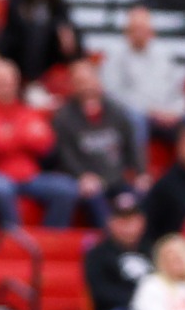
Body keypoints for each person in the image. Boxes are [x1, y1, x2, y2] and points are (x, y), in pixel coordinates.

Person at [53, 57, 140, 226]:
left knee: (135, 197)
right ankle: (108, 240)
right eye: (79, 82)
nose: (86, 86)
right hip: (88, 181)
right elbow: (65, 155)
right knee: (94, 195)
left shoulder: (117, 111)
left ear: (98, 80)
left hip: (116, 179)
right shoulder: (63, 118)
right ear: (72, 85)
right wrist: (82, 176)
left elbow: (132, 145)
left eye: (88, 80)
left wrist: (140, 172)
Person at [104, 4, 185, 164]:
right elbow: (113, 96)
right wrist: (149, 111)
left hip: (168, 116)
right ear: (127, 31)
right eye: (135, 28)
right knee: (136, 120)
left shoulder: (164, 55)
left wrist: (175, 112)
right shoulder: (115, 55)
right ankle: (140, 173)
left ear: (152, 31)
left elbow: (180, 92)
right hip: (137, 116)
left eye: (143, 28)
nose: (140, 33)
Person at [0, 0, 80, 86]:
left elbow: (63, 19)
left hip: (48, 47)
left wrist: (64, 31)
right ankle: (33, 82)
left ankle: (80, 78)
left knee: (73, 35)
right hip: (19, 45)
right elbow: (16, 21)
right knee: (36, 33)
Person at [84, 191, 152, 310]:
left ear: (142, 221)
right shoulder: (97, 254)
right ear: (110, 222)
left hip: (153, 307)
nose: (128, 226)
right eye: (121, 220)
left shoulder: (152, 250)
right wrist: (138, 301)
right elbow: (101, 292)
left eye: (132, 220)